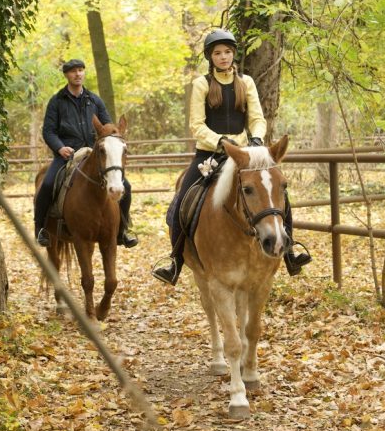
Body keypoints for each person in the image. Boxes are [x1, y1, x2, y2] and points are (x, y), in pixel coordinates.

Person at [152, 29, 311, 285]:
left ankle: (291, 252)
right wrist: (220, 141)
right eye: (217, 53)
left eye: (227, 52)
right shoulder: (201, 84)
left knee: (279, 192)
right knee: (182, 199)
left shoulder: (245, 82)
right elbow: (197, 125)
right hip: (209, 153)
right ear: (210, 57)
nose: (223, 57)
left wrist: (257, 138)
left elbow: (257, 118)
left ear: (233, 54)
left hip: (244, 154)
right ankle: (175, 262)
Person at [34, 58, 138, 248]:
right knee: (47, 184)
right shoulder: (57, 102)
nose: (78, 74)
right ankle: (40, 229)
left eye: (81, 70)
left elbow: (107, 126)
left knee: (126, 186)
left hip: (93, 153)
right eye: (74, 71)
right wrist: (60, 148)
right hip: (67, 153)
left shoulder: (94, 100)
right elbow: (48, 131)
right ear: (66, 75)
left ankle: (123, 230)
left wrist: (113, 135)